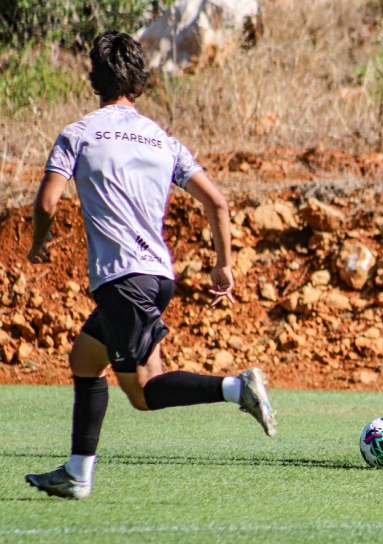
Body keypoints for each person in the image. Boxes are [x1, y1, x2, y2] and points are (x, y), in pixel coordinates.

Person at [24, 31, 277, 500]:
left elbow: (47, 201)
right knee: (84, 359)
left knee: (145, 391)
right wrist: (224, 265)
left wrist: (39, 243)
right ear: (140, 82)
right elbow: (217, 204)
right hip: (157, 275)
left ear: (94, 79)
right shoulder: (165, 141)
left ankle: (235, 387)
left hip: (122, 280)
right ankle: (77, 470)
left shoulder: (78, 133)